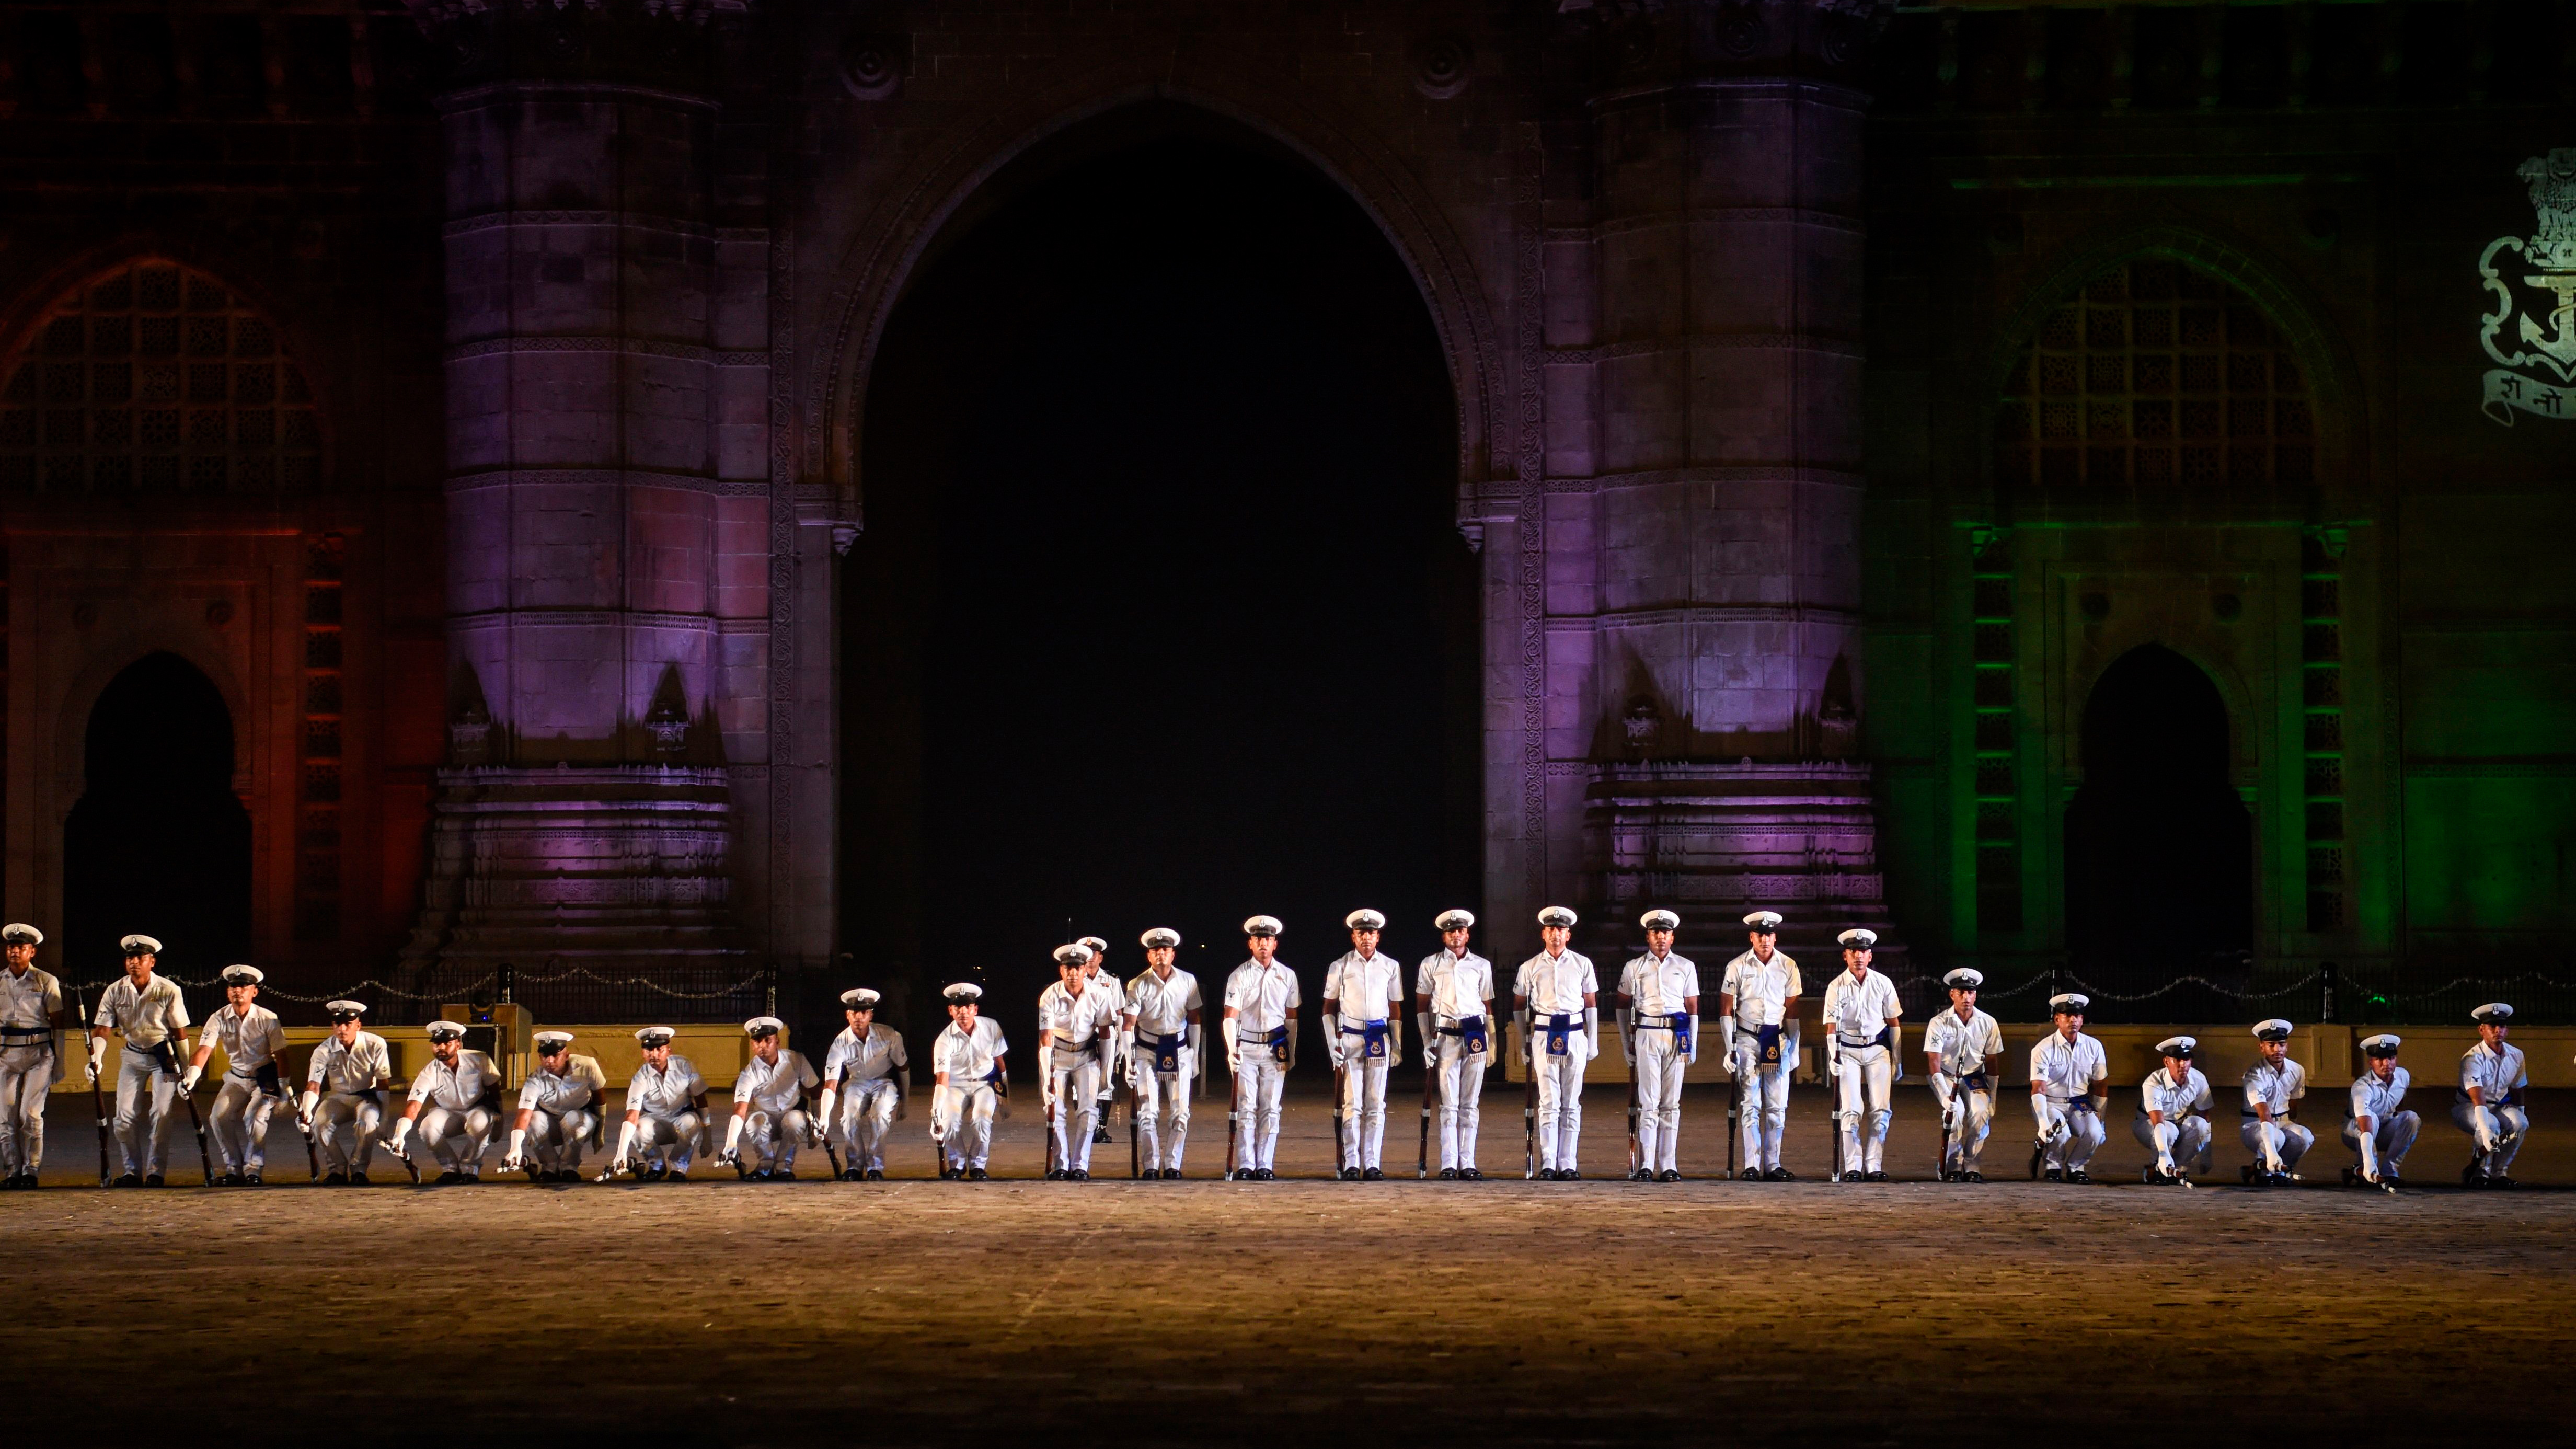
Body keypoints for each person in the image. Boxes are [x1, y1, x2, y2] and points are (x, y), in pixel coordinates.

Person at [88, 934, 189, 1187]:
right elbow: (102, 1028)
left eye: (140, 958)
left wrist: (187, 1070)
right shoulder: (116, 990)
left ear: (151, 962)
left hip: (164, 1056)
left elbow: (179, 1031)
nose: (134, 962)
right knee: (123, 1117)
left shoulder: (168, 989)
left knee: (161, 1114)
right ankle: (132, 1171)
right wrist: (96, 1058)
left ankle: (156, 1172)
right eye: (130, 958)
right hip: (133, 1055)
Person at [182, 965, 289, 1186]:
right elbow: (204, 1049)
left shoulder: (267, 1018)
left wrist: (285, 1088)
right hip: (236, 1077)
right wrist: (192, 1075)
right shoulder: (219, 1017)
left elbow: (281, 1055)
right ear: (228, 991)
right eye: (233, 987)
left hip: (264, 1077)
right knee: (218, 1117)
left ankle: (254, 1169)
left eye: (243, 987)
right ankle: (234, 1168)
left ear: (254, 992)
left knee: (254, 1116)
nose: (237, 991)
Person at [1514, 906, 1597, 1181]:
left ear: (1568, 934)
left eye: (1561, 929)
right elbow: (1519, 1005)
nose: (1556, 934)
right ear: (1543, 934)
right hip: (1544, 1033)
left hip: (1574, 1033)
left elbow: (1591, 1004)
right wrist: (1523, 1041)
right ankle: (1549, 1163)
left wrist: (1593, 1040)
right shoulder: (1530, 966)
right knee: (1549, 1102)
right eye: (1551, 929)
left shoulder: (1583, 964)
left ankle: (1568, 1163)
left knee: (1571, 1102)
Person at [1324, 908, 1406, 1180]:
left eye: (1371, 933)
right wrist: (1332, 1044)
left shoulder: (1390, 966)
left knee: (1375, 1103)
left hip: (1378, 1036)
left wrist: (1397, 1043)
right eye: (1361, 933)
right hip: (1350, 1036)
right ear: (1354, 937)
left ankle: (1372, 1163)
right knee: (1352, 1102)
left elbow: (1395, 1007)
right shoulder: (1340, 966)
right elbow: (1328, 1008)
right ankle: (1351, 1162)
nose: (1366, 938)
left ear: (1378, 937)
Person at [1615, 909, 1696, 1183]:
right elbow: (1622, 1006)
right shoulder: (1634, 967)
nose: (1661, 937)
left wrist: (1692, 1042)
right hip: (1647, 1032)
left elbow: (1693, 1007)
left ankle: (1669, 1164)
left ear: (1673, 937)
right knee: (1648, 1102)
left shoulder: (1685, 966)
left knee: (1671, 1103)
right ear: (1648, 937)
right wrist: (1626, 1043)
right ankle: (1646, 1164)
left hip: (1676, 1033)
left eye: (1666, 932)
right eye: (1655, 932)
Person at [1719, 911, 1801, 1181]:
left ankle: (1773, 1163)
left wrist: (1795, 1049)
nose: (1765, 940)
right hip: (1747, 1037)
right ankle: (1751, 1164)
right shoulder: (1738, 966)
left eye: (1769, 935)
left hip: (1776, 1038)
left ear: (1775, 938)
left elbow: (1792, 1012)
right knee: (1750, 1103)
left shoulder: (1788, 965)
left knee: (1777, 1106)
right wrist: (1729, 1048)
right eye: (1760, 935)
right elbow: (1726, 1010)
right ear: (1752, 937)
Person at [1416, 908, 1494, 1180]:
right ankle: (1449, 1163)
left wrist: (1493, 1040)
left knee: (1470, 1104)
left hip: (1475, 1034)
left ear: (1467, 935)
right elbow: (1422, 1006)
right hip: (1446, 1035)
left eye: (1460, 931)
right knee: (1449, 1104)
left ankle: (1468, 1162)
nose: (1456, 935)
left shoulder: (1482, 965)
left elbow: (1487, 1005)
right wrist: (1426, 1041)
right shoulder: (1431, 964)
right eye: (1451, 932)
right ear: (1444, 936)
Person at [1820, 928, 1901, 1182]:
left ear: (1870, 955)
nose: (1859, 956)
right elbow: (1831, 1028)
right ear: (1845, 955)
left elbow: (1894, 1023)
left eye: (1863, 951)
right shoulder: (1836, 986)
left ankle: (1874, 1164)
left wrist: (1897, 1059)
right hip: (1848, 1050)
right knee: (1851, 1110)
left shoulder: (1883, 983)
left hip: (1877, 1049)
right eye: (1854, 951)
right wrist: (1834, 1057)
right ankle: (1853, 1166)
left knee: (1881, 1110)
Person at [1222, 916, 1298, 1181]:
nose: (1263, 944)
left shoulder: (1287, 975)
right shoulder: (1239, 975)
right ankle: (1246, 1163)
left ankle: (1265, 1162)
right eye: (1258, 939)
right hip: (1247, 1045)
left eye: (1268, 939)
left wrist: (1292, 1051)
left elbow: (1292, 1018)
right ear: (1251, 944)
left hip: (1276, 1046)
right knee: (1246, 1106)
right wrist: (1232, 1049)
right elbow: (1230, 1015)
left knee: (1271, 1107)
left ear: (1275, 944)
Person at [1122, 928, 1202, 1179]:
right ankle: (1150, 1164)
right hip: (1147, 1051)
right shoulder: (1137, 984)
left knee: (1181, 1112)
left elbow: (1195, 1019)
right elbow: (1128, 1025)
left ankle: (1173, 1164)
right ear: (1149, 956)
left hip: (1179, 1050)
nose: (1161, 954)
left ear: (1173, 954)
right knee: (1148, 1112)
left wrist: (1195, 1055)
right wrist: (1129, 1060)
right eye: (1155, 950)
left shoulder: (1188, 980)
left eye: (1165, 950)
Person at [1038, 944, 1119, 1180]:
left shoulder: (1099, 994)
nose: (1073, 973)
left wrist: (1106, 1071)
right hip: (1058, 1055)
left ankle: (1080, 1164)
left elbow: (1106, 1033)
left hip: (1086, 1055)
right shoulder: (1050, 996)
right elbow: (1046, 1038)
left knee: (1088, 1111)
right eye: (1068, 968)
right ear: (1061, 971)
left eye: (1077, 968)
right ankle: (1061, 1164)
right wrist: (1048, 1078)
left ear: (1085, 970)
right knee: (1054, 1109)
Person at [389, 1019, 501, 1183]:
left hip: (476, 1108)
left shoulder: (479, 1060)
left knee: (480, 1124)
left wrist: (500, 1122)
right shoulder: (429, 1072)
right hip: (448, 1112)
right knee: (427, 1127)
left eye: (447, 1043)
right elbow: (414, 1105)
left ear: (458, 1045)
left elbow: (495, 1092)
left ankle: (470, 1168)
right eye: (437, 1044)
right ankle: (450, 1168)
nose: (441, 1047)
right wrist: (399, 1135)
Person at [1921, 967, 2002, 1182]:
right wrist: (1944, 1095)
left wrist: (1993, 1098)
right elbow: (1934, 1061)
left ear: (1976, 995)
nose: (1966, 997)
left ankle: (1972, 1163)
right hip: (1946, 1076)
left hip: (1974, 1076)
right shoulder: (1939, 1022)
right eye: (1961, 992)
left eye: (1970, 992)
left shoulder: (1988, 1022)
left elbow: (1992, 1061)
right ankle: (1954, 1165)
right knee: (1955, 1114)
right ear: (1952, 994)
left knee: (1981, 1113)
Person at [301, 999, 393, 1184]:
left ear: (358, 1026)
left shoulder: (375, 1044)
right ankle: (337, 1169)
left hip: (366, 1097)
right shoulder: (323, 1050)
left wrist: (384, 1119)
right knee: (320, 1123)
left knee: (368, 1122)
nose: (342, 1029)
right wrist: (307, 1112)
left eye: (348, 1024)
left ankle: (359, 1170)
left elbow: (383, 1084)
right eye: (338, 1024)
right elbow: (314, 1085)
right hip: (338, 1097)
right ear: (332, 1026)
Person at [819, 988, 906, 1181]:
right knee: (849, 1117)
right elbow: (831, 1083)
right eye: (854, 1013)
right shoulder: (840, 1043)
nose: (859, 1017)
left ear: (871, 1015)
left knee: (880, 1114)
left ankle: (875, 1166)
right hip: (857, 1082)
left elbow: (903, 1068)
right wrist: (824, 1117)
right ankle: (854, 1165)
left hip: (884, 1081)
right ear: (848, 1015)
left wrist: (905, 1102)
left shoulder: (888, 1035)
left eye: (864, 1012)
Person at [0, 924, 63, 1190]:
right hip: (6, 1054)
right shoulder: (0, 981)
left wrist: (60, 1062)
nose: (15, 951)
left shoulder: (45, 981)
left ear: (32, 952)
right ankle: (11, 1171)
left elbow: (58, 1023)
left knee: (30, 1114)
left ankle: (31, 1171)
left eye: (21, 947)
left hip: (39, 1053)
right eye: (11, 947)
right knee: (5, 1117)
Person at [725, 1016, 821, 1180]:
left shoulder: (796, 1060)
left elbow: (815, 1090)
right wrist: (731, 1143)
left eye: (767, 1040)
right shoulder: (749, 1073)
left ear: (777, 1042)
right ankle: (765, 1166)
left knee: (795, 1121)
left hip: (791, 1112)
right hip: (765, 1116)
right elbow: (740, 1109)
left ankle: (784, 1167)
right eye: (757, 1042)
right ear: (752, 1045)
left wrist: (817, 1126)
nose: (762, 1046)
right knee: (755, 1122)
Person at [502, 1030, 604, 1182]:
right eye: (545, 1056)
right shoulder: (535, 1080)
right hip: (551, 1125)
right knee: (533, 1120)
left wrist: (600, 1132)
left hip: (579, 1121)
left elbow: (599, 1097)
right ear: (540, 1057)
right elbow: (524, 1114)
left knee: (575, 1119)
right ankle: (550, 1166)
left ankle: (569, 1167)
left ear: (566, 1055)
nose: (549, 1061)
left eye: (555, 1056)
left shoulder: (587, 1066)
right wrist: (515, 1147)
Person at [930, 982, 1007, 1180]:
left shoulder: (991, 1027)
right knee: (949, 1122)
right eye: (958, 1007)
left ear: (975, 1009)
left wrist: (1006, 1096)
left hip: (984, 1083)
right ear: (951, 1010)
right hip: (955, 1084)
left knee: (982, 1120)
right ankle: (956, 1164)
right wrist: (936, 1113)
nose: (963, 1012)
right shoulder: (944, 1039)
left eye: (968, 1007)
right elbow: (942, 1078)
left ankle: (978, 1165)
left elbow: (1000, 1063)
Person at [2029, 992, 2108, 1182]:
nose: (2073, 1020)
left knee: (2095, 1133)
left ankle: (2076, 1166)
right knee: (2060, 1133)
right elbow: (2038, 1088)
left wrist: (2101, 1117)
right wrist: (2043, 1123)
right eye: (2068, 1015)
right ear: (2057, 1019)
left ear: (2082, 1020)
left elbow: (2100, 1084)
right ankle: (2053, 1166)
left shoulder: (2094, 1046)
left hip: (2080, 1102)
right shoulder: (2043, 1048)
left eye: (2077, 1016)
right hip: (2051, 1102)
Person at [614, 1026, 708, 1182]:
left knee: (691, 1122)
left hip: (681, 1119)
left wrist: (708, 1135)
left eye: (659, 1049)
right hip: (656, 1123)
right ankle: (656, 1165)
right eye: (649, 1050)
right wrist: (621, 1153)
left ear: (669, 1051)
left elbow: (701, 1099)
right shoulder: (640, 1078)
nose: (654, 1055)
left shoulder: (684, 1066)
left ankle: (679, 1167)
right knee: (638, 1127)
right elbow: (632, 1115)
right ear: (643, 1053)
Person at [2455, 1002, 2529, 1189]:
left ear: (2507, 1030)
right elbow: (2477, 1096)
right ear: (2482, 1030)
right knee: (2490, 1124)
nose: (2498, 1030)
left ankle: (2499, 1173)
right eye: (2492, 1026)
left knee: (2521, 1123)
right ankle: (2480, 1173)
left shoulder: (2516, 1055)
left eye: (2502, 1026)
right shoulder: (2472, 1058)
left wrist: (2518, 1116)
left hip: (2499, 1106)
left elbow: (2518, 1088)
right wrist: (2486, 1128)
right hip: (2469, 1106)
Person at [2131, 1036, 2213, 1186]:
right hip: (2148, 1125)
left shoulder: (2199, 1079)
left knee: (2200, 1125)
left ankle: (2178, 1170)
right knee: (2169, 1130)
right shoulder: (2154, 1082)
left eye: (2186, 1059)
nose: (2183, 1064)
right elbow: (2157, 1120)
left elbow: (2205, 1115)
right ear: (2166, 1062)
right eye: (2177, 1060)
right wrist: (2163, 1153)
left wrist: (2207, 1153)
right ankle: (2157, 1167)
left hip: (2178, 1124)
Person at [2240, 1019, 2312, 1186]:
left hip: (2283, 1121)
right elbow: (2263, 1111)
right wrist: (2272, 1151)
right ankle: (2265, 1169)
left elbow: (2294, 1100)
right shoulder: (2254, 1074)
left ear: (2287, 1046)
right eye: (2271, 1045)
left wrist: (2292, 1123)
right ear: (2262, 1047)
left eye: (2281, 1044)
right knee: (2276, 1137)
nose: (2277, 1049)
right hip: (2255, 1124)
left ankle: (2275, 1169)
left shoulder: (2297, 1070)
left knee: (2305, 1137)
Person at [2343, 1033, 2417, 1189]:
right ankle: (2367, 1169)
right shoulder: (2362, 1087)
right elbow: (2365, 1125)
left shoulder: (2403, 1076)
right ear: (2370, 1062)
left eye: (2391, 1058)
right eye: (2380, 1059)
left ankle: (2390, 1172)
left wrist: (2397, 1121)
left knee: (2411, 1118)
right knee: (2372, 1118)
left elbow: (2400, 1100)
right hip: (2356, 1132)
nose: (2386, 1063)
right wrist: (2369, 1160)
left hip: (2385, 1127)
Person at [1076, 935, 1120, 1144]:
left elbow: (1119, 1011)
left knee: (1105, 1081)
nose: (1090, 958)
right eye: (1086, 955)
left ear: (1100, 957)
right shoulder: (1076, 979)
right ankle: (1085, 1126)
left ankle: (1100, 1129)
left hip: (1107, 1034)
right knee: (1080, 1083)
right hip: (1083, 1034)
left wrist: (1122, 1040)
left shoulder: (1112, 980)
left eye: (1094, 954)